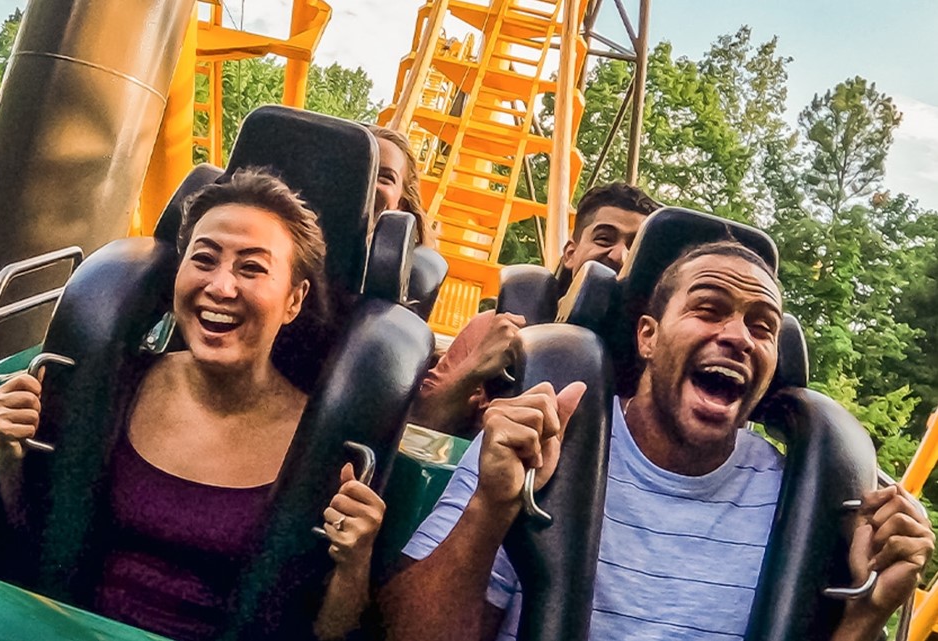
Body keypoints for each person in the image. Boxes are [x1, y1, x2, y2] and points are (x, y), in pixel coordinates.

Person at [381, 241, 934, 641]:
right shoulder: (546, 441)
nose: (738, 336)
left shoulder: (800, 499)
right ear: (648, 337)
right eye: (709, 309)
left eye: (762, 326)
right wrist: (490, 507)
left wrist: (868, 612)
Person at [0, 169, 385, 641]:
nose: (220, 286)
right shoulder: (113, 386)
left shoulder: (322, 445)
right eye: (204, 259)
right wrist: (9, 454)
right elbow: (25, 543)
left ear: (294, 299)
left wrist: (354, 563)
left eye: (252, 268)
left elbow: (327, 632)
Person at [410, 182, 659, 437]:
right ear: (570, 254)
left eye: (635, 249)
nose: (619, 255)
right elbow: (418, 429)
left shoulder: (654, 356)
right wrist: (475, 367)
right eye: (604, 239)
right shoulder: (497, 326)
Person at [369, 124, 434, 247]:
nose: (368, 182)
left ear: (402, 204)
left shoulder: (410, 265)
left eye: (385, 178)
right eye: (356, 170)